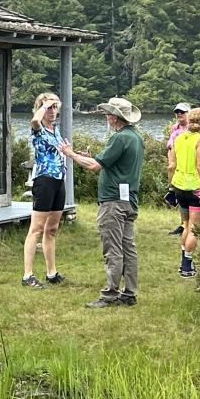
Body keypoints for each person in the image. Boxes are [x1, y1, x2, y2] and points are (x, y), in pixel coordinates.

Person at [60, 96, 144, 309]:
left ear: (116, 117)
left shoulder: (120, 138)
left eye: (108, 113)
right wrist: (87, 157)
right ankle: (130, 293)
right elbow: (104, 163)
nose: (106, 117)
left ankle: (110, 295)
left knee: (113, 249)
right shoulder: (135, 136)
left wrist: (70, 154)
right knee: (128, 248)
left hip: (113, 202)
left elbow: (94, 166)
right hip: (128, 200)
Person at [22, 92, 67, 289]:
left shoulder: (55, 130)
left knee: (52, 228)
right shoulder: (37, 129)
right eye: (49, 108)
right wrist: (44, 105)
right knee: (37, 228)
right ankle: (27, 275)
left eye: (55, 107)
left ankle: (51, 272)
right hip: (44, 180)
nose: (53, 111)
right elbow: (34, 120)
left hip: (58, 179)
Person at [167, 107, 200, 278]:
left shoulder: (178, 138)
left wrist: (171, 186)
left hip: (179, 186)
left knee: (186, 225)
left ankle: (184, 262)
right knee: (194, 228)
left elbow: (172, 164)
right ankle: (187, 265)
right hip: (195, 188)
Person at [165, 103, 191, 236]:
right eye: (177, 112)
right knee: (179, 194)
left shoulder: (192, 128)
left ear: (188, 113)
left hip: (186, 164)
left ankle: (188, 225)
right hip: (174, 161)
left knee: (187, 196)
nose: (179, 114)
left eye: (182, 111)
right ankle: (183, 224)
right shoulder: (175, 127)